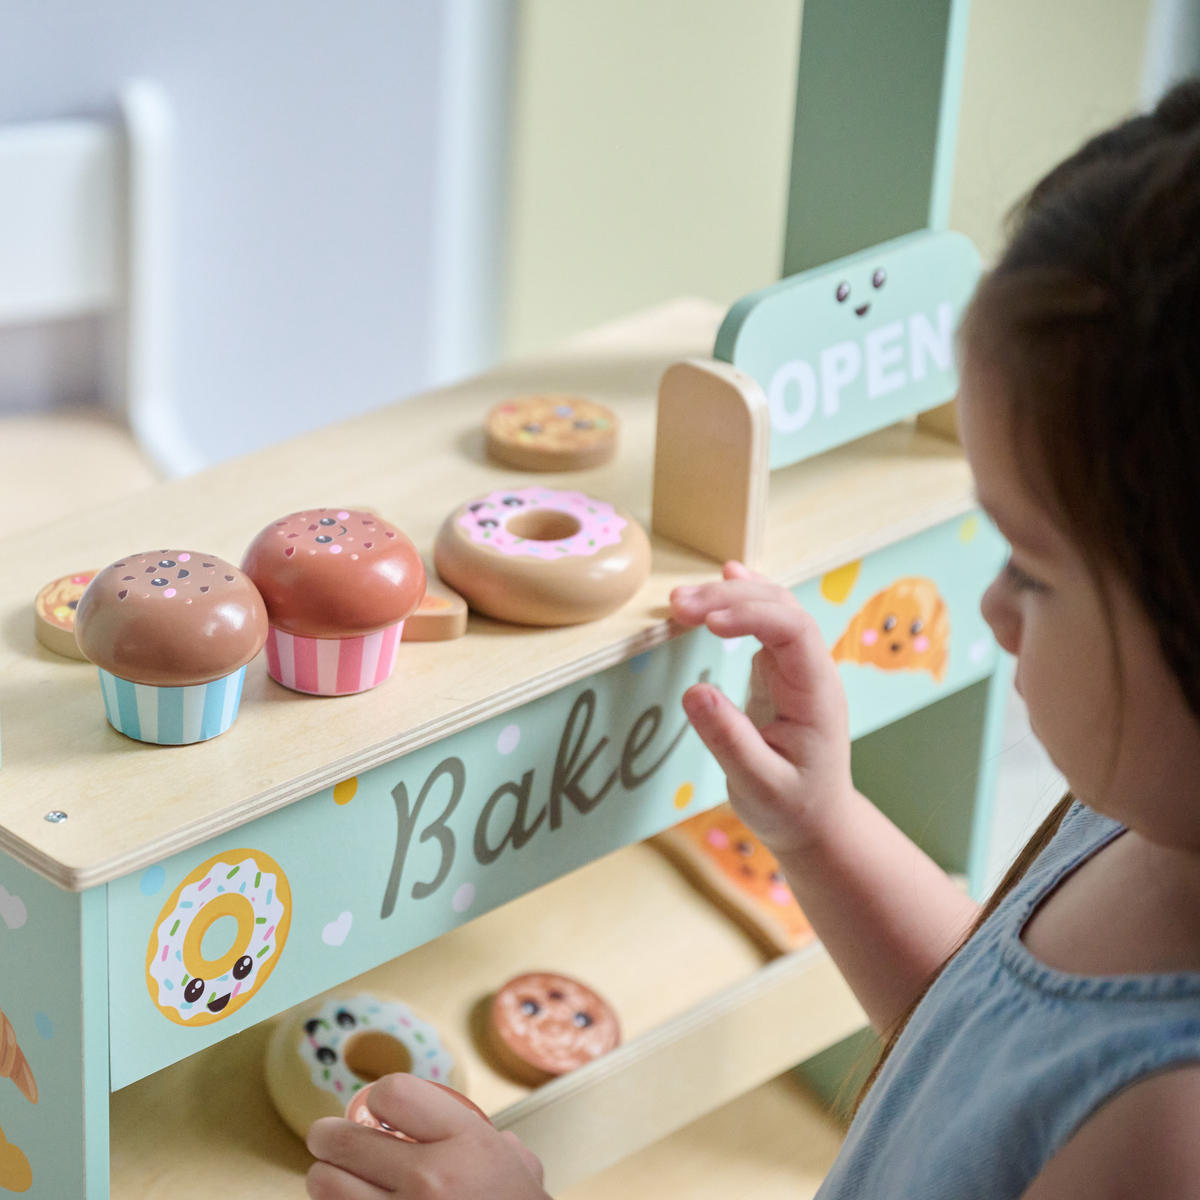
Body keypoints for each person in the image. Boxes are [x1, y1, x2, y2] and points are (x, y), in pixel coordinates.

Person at [305, 79, 1200, 1199]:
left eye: (1033, 564)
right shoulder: (1144, 811)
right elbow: (983, 1050)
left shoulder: (1168, 1138)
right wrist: (821, 825)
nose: (993, 608)